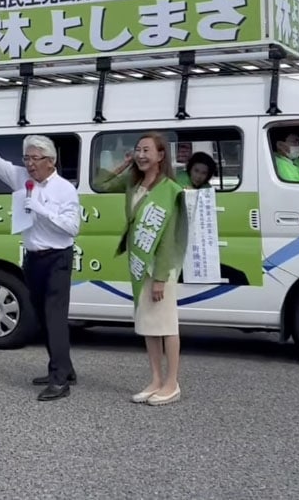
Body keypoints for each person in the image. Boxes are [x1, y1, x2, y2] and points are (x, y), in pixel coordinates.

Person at [0, 126, 82, 402]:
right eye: (26, 158)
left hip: (57, 259)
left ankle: (59, 380)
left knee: (54, 320)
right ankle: (65, 369)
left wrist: (42, 210)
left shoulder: (64, 190)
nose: (29, 164)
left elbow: (72, 227)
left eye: (35, 159)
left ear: (50, 161)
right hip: (32, 258)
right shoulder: (22, 179)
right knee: (41, 317)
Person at [97, 133, 187, 406]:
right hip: (139, 264)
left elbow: (169, 237)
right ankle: (156, 380)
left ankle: (172, 383)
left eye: (147, 150)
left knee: (166, 325)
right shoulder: (133, 182)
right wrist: (124, 165)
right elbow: (101, 183)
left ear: (161, 155)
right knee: (148, 325)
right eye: (137, 150)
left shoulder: (170, 189)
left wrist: (160, 277)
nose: (141, 155)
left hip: (160, 268)